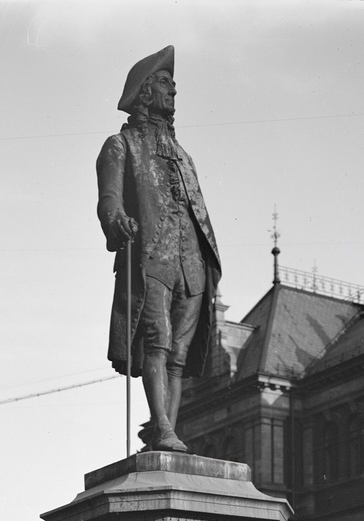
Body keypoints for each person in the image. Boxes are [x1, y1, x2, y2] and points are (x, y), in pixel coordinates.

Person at [96, 45, 221, 453]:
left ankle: (165, 427)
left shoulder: (183, 155)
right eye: (166, 84)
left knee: (179, 356)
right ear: (145, 91)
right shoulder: (120, 145)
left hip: (191, 262)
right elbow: (109, 200)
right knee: (157, 340)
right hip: (152, 257)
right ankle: (163, 426)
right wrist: (117, 221)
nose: (173, 93)